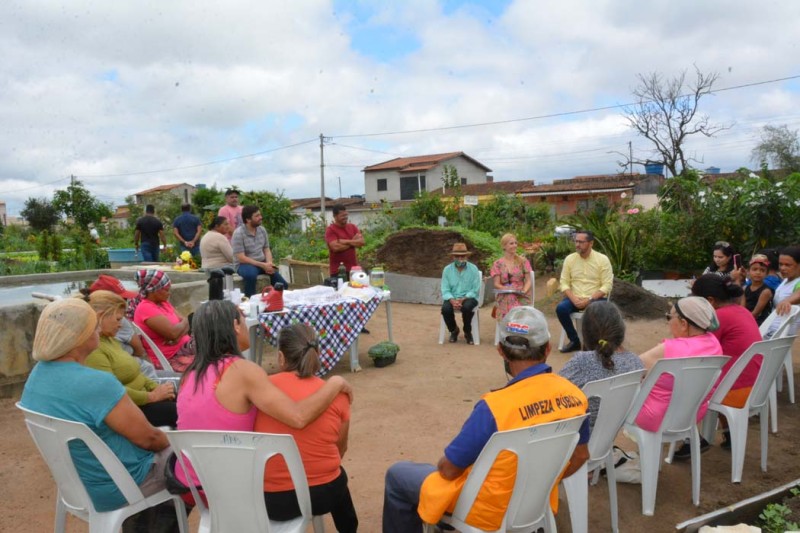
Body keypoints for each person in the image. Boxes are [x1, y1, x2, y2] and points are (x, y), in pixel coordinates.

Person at [382, 306, 589, 533]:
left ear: (501, 350)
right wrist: (541, 485)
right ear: (547, 349)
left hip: (486, 509)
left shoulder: (494, 407)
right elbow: (580, 456)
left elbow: (449, 470)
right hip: (533, 501)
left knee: (398, 475)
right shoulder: (575, 397)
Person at [174, 300, 353, 506]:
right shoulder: (243, 371)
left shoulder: (190, 374)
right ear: (235, 325)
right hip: (228, 488)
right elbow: (298, 417)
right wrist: (335, 383)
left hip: (190, 485)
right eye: (243, 319)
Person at [19, 299, 173, 514]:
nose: (98, 330)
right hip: (122, 485)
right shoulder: (96, 383)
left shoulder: (37, 375)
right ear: (80, 336)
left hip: (77, 485)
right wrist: (176, 441)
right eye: (94, 326)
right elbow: (149, 439)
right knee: (195, 464)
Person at [256, 324, 358, 532]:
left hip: (272, 500)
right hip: (322, 494)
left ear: (281, 358)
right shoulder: (337, 394)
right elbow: (341, 449)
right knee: (339, 479)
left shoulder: (261, 390)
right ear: (317, 354)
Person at [674, 274, 762, 457]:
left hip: (735, 391)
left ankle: (692, 439)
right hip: (756, 386)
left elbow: (694, 350)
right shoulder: (741, 310)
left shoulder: (716, 318)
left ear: (709, 301)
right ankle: (729, 433)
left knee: (679, 383)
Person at [85, 290, 178, 427]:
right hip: (131, 409)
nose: (121, 324)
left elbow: (137, 373)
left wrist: (156, 388)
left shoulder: (109, 340)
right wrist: (153, 396)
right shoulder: (94, 350)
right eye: (118, 319)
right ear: (100, 317)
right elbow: (113, 391)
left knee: (187, 398)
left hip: (143, 397)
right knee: (186, 411)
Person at [636, 297, 723, 438]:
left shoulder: (668, 349)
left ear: (683, 324)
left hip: (655, 418)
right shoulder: (714, 343)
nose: (668, 322)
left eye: (669, 317)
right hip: (692, 415)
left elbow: (632, 368)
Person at [558, 301, 644, 429]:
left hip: (578, 437)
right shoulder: (634, 361)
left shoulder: (582, 362)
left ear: (585, 332)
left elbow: (554, 392)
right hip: (609, 434)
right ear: (621, 330)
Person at [557, 230, 613, 353]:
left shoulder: (602, 260)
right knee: (561, 309)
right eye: (576, 241)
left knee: (594, 310)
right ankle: (575, 341)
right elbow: (564, 283)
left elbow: (607, 285)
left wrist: (589, 300)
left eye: (581, 242)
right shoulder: (570, 259)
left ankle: (591, 343)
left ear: (591, 243)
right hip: (575, 298)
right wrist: (574, 299)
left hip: (596, 298)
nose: (577, 244)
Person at [132, 269, 195, 372]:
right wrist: (181, 328)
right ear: (153, 290)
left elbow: (185, 321)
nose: (169, 293)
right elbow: (174, 333)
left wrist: (178, 335)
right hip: (172, 355)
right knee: (216, 353)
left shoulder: (163, 303)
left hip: (184, 347)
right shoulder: (146, 308)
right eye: (166, 290)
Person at [232, 205, 290, 297]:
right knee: (251, 276)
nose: (260, 217)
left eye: (260, 215)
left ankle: (273, 301)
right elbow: (241, 258)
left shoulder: (262, 230)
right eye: (257, 216)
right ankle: (250, 301)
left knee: (283, 284)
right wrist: (263, 265)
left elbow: (266, 249)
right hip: (244, 265)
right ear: (248, 220)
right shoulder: (239, 233)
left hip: (262, 263)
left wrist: (269, 263)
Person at [440, 242, 482, 345]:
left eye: (462, 256)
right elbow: (445, 289)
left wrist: (463, 298)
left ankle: (467, 332)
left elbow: (475, 289)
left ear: (466, 256)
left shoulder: (473, 269)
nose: (460, 259)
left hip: (469, 297)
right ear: (453, 257)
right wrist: (452, 300)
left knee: (467, 307)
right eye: (457, 256)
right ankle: (454, 330)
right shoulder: (447, 270)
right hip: (452, 297)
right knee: (445, 309)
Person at [490, 233, 532, 320]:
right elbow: (496, 284)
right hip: (504, 294)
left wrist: (524, 290)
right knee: (509, 296)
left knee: (512, 298)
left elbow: (528, 280)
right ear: (504, 246)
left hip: (521, 294)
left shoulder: (523, 261)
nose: (515, 245)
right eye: (511, 243)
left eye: (515, 243)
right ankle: (515, 325)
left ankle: (510, 326)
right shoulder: (498, 264)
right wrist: (505, 288)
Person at [765, 245, 800, 338]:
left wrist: (787, 301)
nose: (782, 268)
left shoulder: (798, 281)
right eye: (781, 264)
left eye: (788, 265)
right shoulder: (785, 280)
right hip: (771, 331)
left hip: (782, 334)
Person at [325, 204, 365, 277]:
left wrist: (344, 241)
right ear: (335, 216)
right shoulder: (330, 230)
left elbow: (361, 242)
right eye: (342, 216)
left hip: (353, 270)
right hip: (337, 271)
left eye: (346, 215)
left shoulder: (352, 227)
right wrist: (353, 241)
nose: (345, 217)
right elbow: (335, 248)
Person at [742, 254, 774, 325]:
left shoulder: (766, 291)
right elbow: (742, 308)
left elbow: (756, 313)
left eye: (762, 270)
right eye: (754, 269)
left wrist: (743, 322)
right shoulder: (745, 288)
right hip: (746, 318)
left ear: (767, 273)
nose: (758, 272)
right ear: (748, 271)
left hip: (760, 322)